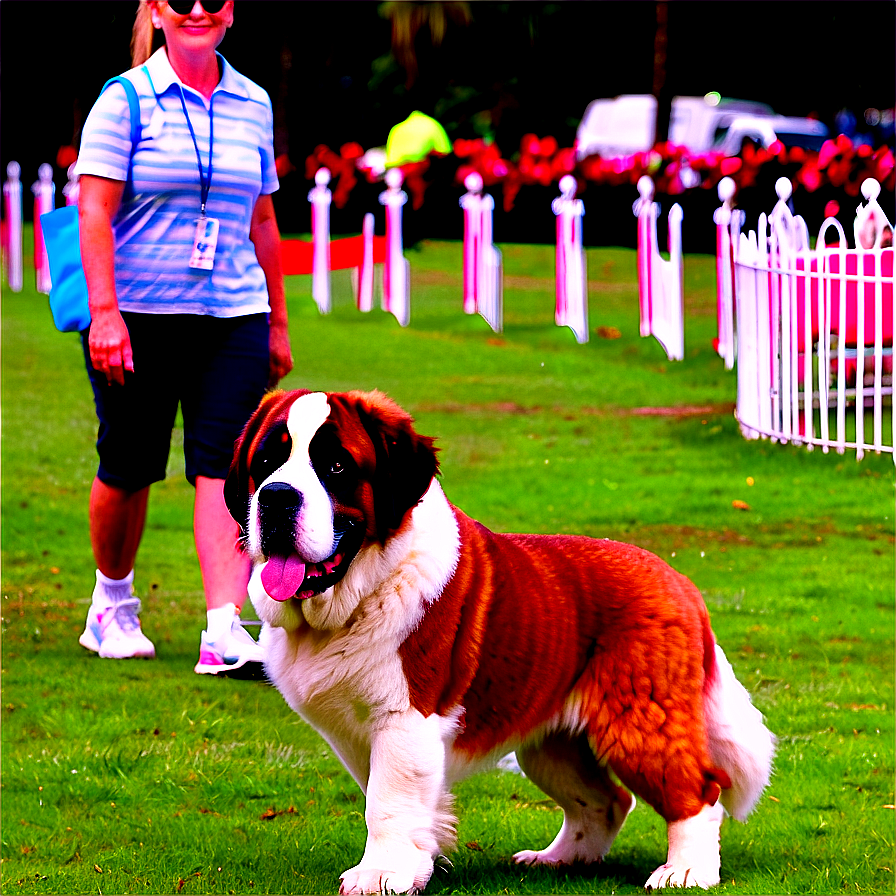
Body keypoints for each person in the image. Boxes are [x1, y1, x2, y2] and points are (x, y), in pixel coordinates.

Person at [75, 0, 293, 674]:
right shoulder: (124, 100)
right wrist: (104, 313)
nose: (197, 9)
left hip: (232, 315)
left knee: (226, 465)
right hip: (137, 314)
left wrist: (278, 321)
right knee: (129, 463)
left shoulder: (253, 102)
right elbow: (94, 209)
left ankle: (224, 628)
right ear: (157, 12)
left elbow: (262, 220)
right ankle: (111, 604)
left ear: (230, 11)